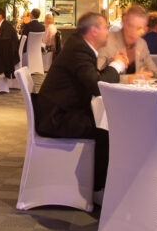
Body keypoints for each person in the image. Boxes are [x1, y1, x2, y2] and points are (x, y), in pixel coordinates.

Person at [33, 11, 128, 191]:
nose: (108, 32)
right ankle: (99, 189)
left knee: (109, 127)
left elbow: (92, 79)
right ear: (93, 31)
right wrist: (117, 64)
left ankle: (99, 185)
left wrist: (110, 66)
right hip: (57, 118)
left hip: (59, 111)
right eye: (105, 28)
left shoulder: (79, 45)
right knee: (110, 132)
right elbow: (98, 86)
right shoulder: (79, 48)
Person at [98, 5, 157, 84]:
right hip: (111, 94)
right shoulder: (106, 42)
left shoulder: (141, 43)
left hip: (136, 93)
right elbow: (98, 78)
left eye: (140, 28)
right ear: (124, 21)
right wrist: (129, 79)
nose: (136, 32)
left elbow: (152, 71)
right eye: (132, 26)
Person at [0, 7, 20, 79]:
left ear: (0, 16)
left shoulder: (6, 27)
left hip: (9, 54)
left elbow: (3, 42)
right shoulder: (1, 26)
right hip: (5, 51)